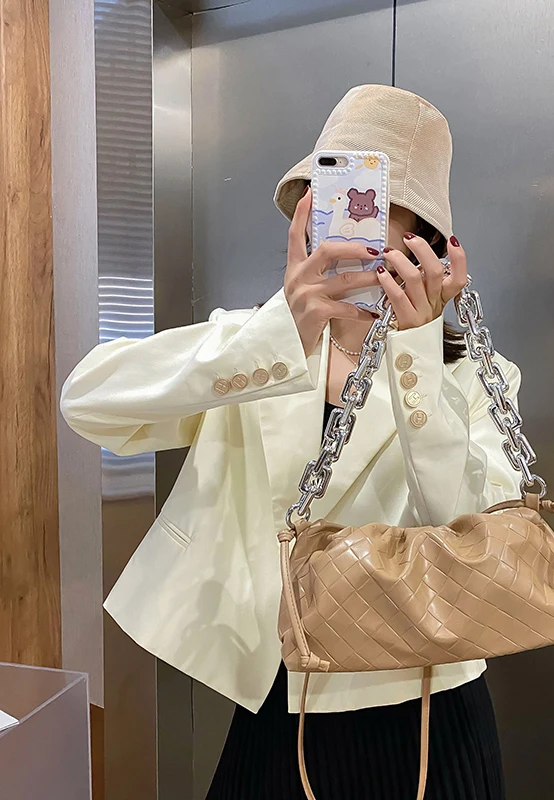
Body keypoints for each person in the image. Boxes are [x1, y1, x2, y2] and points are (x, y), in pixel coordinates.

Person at [61, 84, 522, 800]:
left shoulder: (475, 377)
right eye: (329, 202)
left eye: (375, 210)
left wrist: (418, 356)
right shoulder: (255, 347)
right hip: (278, 699)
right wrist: (279, 333)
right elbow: (89, 402)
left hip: (427, 707)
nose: (349, 234)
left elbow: (470, 530)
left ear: (426, 244)